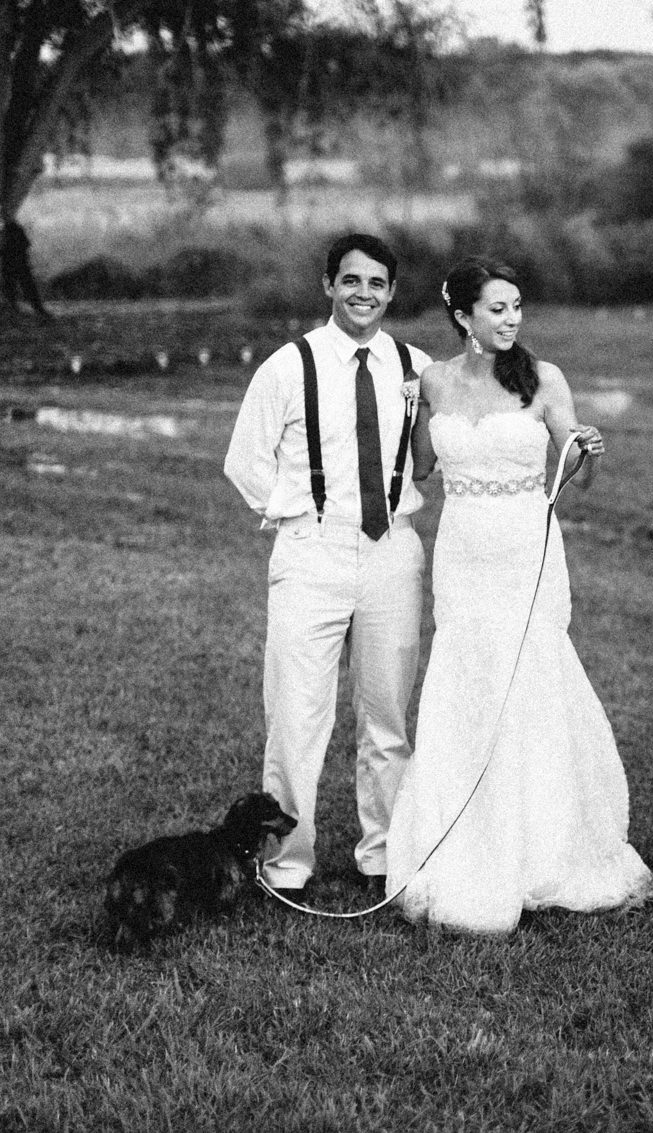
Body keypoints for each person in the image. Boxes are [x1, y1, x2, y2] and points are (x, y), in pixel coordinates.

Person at [384, 256, 653, 934]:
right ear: (463, 315)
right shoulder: (435, 380)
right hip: (463, 547)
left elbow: (574, 473)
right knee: (467, 675)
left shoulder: (543, 378)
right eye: (498, 308)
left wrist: (588, 449)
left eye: (517, 307)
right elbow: (422, 465)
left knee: (528, 674)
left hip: (523, 543)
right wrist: (413, 409)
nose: (512, 319)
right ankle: (463, 834)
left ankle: (543, 843)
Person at [224, 233, 431, 898]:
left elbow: (435, 447)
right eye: (351, 281)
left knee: (387, 712)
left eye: (376, 283)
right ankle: (286, 860)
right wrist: (292, 515)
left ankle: (383, 854)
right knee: (296, 713)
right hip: (312, 550)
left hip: (392, 550)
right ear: (328, 285)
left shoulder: (415, 366)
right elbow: (245, 460)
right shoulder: (289, 365)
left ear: (392, 292)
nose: (363, 293)